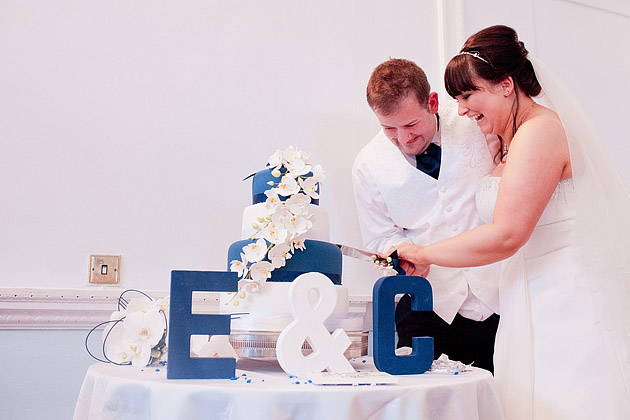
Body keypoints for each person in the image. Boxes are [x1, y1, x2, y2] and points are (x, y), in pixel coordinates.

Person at [394, 25, 630, 419]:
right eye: (458, 98)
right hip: (529, 299)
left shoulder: (541, 132)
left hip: (565, 306)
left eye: (469, 95)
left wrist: (424, 253)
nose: (463, 109)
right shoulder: (513, 140)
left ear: (505, 85)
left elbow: (507, 234)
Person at [352, 58, 501, 372]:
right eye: (388, 128)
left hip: (501, 298)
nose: (403, 138)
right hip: (429, 308)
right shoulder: (366, 165)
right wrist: (400, 256)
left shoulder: (476, 121)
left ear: (432, 102)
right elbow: (380, 236)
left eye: (410, 125)